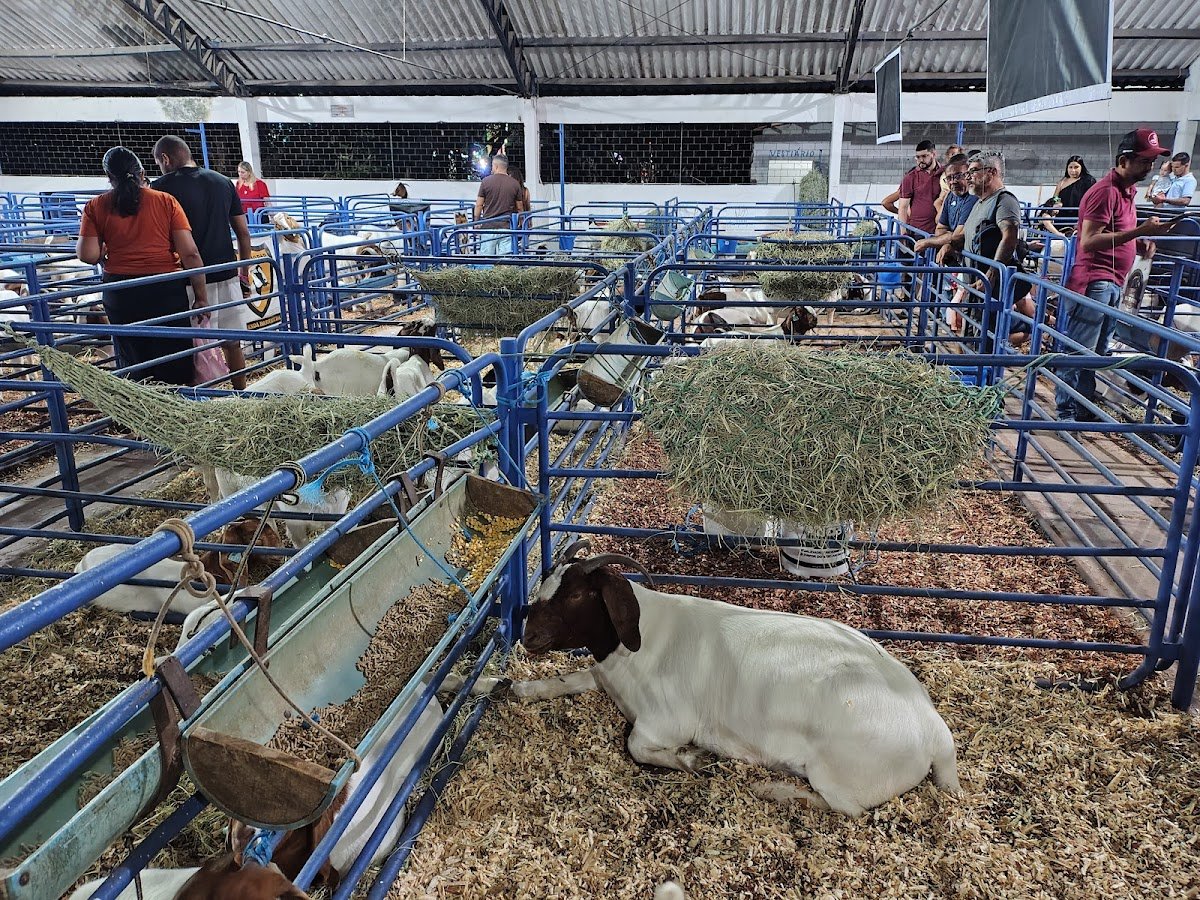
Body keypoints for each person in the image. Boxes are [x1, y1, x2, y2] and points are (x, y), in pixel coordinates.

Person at [1054, 129, 1172, 422]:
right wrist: (1140, 231)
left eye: (1153, 160)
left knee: (1096, 351)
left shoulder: (1127, 192)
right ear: (1124, 160)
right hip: (1094, 279)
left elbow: (1114, 232)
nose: (1151, 166)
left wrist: (1138, 242)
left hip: (1113, 281)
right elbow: (1089, 240)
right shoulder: (1105, 191)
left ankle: (1081, 407)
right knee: (1080, 349)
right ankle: (1065, 410)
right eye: (1145, 160)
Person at [75, 146, 207, 385]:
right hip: (164, 289)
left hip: (121, 292)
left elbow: (87, 254)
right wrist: (201, 297)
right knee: (174, 356)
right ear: (142, 172)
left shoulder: (96, 206)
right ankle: (178, 415)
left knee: (133, 359)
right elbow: (190, 252)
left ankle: (137, 416)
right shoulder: (165, 201)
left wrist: (105, 250)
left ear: (109, 178)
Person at [151, 134, 254, 389]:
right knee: (232, 342)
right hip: (226, 273)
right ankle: (241, 395)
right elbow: (243, 233)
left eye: (158, 163)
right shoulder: (222, 182)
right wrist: (243, 273)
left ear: (165, 158)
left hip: (188, 280)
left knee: (196, 348)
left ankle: (204, 406)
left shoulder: (160, 188)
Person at [957, 150, 1033, 347]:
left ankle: (986, 376)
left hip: (990, 286)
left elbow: (1010, 234)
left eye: (973, 172)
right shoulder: (980, 203)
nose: (968, 178)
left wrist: (993, 271)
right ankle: (974, 372)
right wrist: (945, 244)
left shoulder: (1005, 200)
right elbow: (966, 235)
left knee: (987, 336)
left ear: (990, 172)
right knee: (974, 331)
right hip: (976, 284)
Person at [914, 154, 976, 265]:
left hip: (972, 259)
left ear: (968, 175)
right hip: (956, 257)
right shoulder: (950, 196)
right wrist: (947, 239)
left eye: (958, 176)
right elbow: (940, 228)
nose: (953, 181)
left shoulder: (973, 197)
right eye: (949, 178)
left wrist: (928, 242)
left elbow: (959, 235)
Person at [473, 155, 522, 256]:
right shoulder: (515, 184)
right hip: (506, 226)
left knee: (486, 259)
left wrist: (476, 221)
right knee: (505, 261)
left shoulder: (485, 182)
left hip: (488, 226)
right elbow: (520, 207)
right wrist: (520, 221)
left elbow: (479, 205)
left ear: (495, 166)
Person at [897, 140, 944, 235]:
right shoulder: (910, 177)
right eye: (918, 157)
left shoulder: (945, 173)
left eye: (924, 156)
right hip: (917, 232)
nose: (920, 160)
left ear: (934, 154)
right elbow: (903, 207)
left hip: (940, 231)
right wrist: (903, 233)